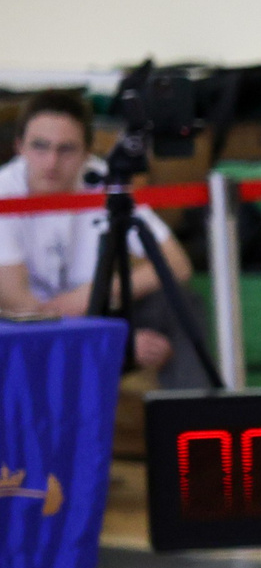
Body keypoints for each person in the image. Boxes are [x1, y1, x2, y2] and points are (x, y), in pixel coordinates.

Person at [0, 89, 202, 382]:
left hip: (96, 313)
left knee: (182, 302)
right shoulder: (5, 194)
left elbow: (177, 264)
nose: (51, 162)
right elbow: (24, 310)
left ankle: (193, 418)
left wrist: (99, 295)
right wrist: (113, 338)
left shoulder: (107, 179)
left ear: (86, 152)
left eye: (66, 149)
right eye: (40, 147)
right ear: (19, 147)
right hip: (29, 333)